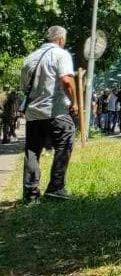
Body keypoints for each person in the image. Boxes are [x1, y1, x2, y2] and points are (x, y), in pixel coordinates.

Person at [21, 25, 78, 201]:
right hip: (56, 110)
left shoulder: (30, 58)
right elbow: (67, 80)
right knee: (64, 143)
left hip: (33, 113)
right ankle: (56, 187)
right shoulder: (61, 54)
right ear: (61, 39)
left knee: (32, 151)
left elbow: (24, 87)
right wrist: (75, 102)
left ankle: (30, 194)